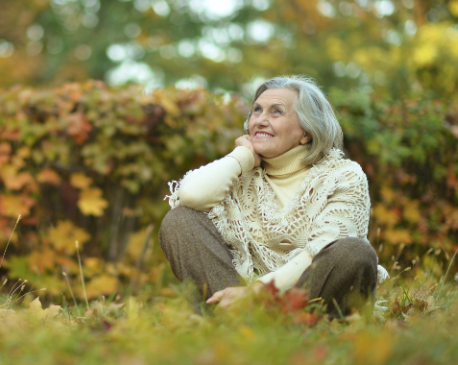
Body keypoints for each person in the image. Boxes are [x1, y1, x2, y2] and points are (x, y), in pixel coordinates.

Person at [159, 75, 388, 317]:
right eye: (257, 110)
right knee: (179, 220)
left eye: (276, 112)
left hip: (308, 302)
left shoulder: (342, 175)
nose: (260, 120)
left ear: (306, 133)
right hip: (241, 304)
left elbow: (323, 247)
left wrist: (256, 292)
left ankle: (288, 325)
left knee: (354, 251)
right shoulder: (239, 172)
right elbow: (191, 196)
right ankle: (236, 321)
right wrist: (241, 156)